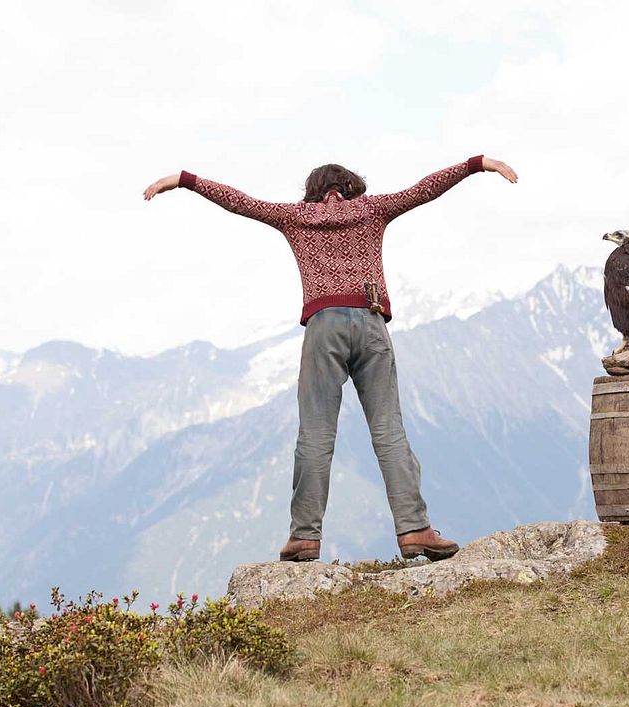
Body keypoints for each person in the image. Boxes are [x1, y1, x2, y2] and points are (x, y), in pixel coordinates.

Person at [143, 154, 518, 562]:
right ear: (356, 188)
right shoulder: (372, 210)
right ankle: (414, 529)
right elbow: (425, 189)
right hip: (372, 322)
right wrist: (477, 164)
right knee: (389, 431)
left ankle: (304, 536)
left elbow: (240, 201)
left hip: (323, 328)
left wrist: (185, 179)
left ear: (312, 192)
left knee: (315, 435)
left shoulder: (296, 217)